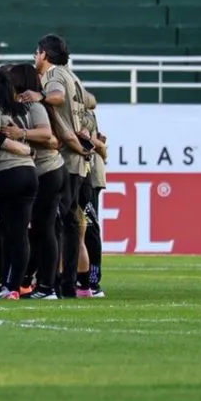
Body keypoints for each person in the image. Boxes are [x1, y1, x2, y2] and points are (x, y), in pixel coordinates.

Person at [18, 34, 92, 298]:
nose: (35, 57)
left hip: (66, 159)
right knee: (69, 224)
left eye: (36, 53)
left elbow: (57, 97)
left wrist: (40, 95)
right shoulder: (73, 76)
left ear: (44, 55)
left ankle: (51, 282)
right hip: (78, 160)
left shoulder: (54, 75)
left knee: (54, 225)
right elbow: (89, 103)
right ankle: (66, 284)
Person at [0, 69, 43, 300]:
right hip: (29, 172)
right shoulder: (25, 108)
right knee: (20, 233)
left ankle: (9, 286)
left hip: (6, 172)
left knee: (7, 234)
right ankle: (14, 286)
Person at [5, 63, 66, 300]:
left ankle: (46, 286)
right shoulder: (26, 105)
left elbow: (47, 135)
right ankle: (38, 282)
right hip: (41, 170)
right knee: (40, 229)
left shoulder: (35, 105)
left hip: (47, 170)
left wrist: (20, 134)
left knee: (45, 229)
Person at [78, 91, 107, 298]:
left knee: (87, 229)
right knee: (85, 229)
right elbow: (102, 149)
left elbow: (100, 147)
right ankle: (86, 279)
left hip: (88, 176)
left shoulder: (84, 115)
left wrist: (96, 143)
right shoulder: (88, 115)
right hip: (89, 175)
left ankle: (91, 281)